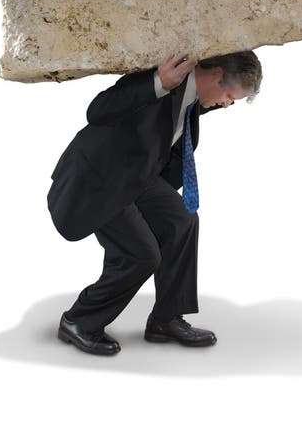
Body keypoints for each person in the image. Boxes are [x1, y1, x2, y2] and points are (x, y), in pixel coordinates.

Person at [47, 49, 262, 356]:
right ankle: (78, 321)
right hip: (101, 180)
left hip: (137, 176)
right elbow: (97, 111)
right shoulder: (161, 81)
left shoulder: (196, 95)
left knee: (183, 222)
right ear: (215, 76)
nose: (227, 105)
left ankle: (166, 319)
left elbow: (205, 94)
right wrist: (156, 83)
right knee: (142, 255)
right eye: (229, 95)